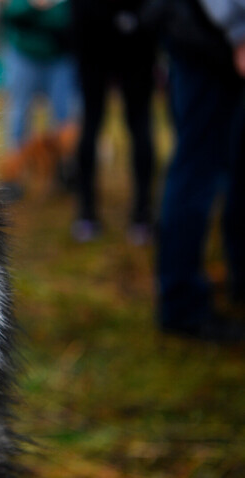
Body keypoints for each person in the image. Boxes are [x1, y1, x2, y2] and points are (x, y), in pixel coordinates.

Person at [151, 0, 245, 340]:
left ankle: (236, 277)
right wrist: (239, 32)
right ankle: (182, 303)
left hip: (210, 35)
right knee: (197, 168)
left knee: (230, 160)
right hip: (208, 37)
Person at [71, 0, 158, 244]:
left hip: (127, 42)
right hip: (105, 39)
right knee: (97, 126)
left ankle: (139, 213)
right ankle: (90, 213)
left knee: (137, 127)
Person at [0, 0, 78, 195]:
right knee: (18, 115)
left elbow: (68, 19)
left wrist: (39, 11)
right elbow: (11, 14)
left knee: (64, 116)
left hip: (61, 57)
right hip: (23, 54)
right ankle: (13, 175)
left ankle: (63, 170)